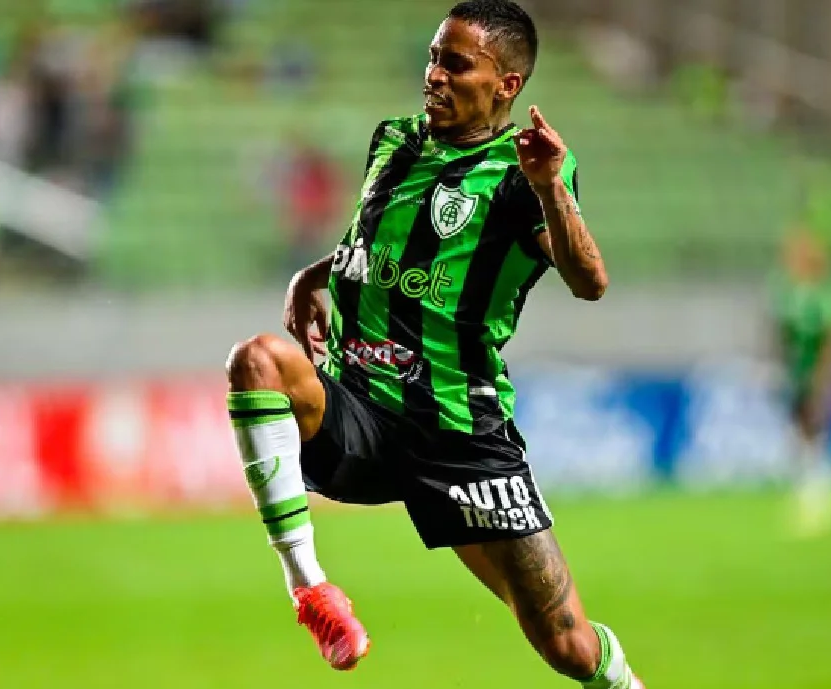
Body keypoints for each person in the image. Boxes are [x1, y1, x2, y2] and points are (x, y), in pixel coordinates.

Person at [224, 2, 643, 687]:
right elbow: (377, 242)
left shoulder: (525, 174)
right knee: (257, 360)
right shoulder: (394, 141)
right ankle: (311, 590)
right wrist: (315, 274)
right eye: (432, 58)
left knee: (566, 643)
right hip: (360, 407)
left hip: (458, 431)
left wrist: (550, 190)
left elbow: (589, 280)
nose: (434, 75)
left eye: (456, 63)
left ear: (506, 84)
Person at [768, 227, 831, 538]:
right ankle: (809, 495)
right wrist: (781, 367)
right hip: (798, 371)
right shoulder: (788, 290)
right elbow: (781, 332)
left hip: (823, 372)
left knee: (813, 431)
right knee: (799, 434)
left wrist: (824, 377)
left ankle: (820, 497)